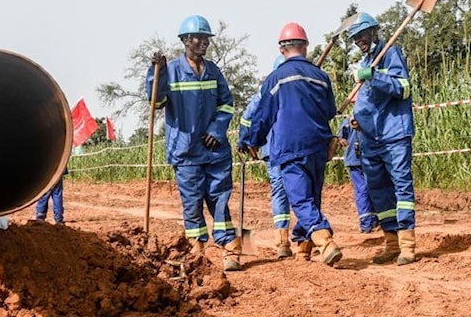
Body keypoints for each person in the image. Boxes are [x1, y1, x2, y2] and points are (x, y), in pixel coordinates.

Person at [239, 22, 341, 266]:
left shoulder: (276, 78)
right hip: (318, 146)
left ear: (282, 49)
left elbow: (263, 116)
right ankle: (302, 246)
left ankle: (325, 241)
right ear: (305, 47)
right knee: (312, 197)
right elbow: (329, 111)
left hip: (290, 147)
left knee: (300, 200)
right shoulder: (321, 77)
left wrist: (250, 140)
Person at [146, 15, 241, 271]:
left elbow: (226, 104)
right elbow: (156, 102)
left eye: (207, 39)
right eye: (200, 38)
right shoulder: (172, 71)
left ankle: (230, 249)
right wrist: (157, 73)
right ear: (186, 40)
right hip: (185, 152)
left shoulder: (213, 71)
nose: (205, 43)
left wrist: (217, 130)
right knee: (192, 205)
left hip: (214, 151)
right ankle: (196, 253)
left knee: (220, 199)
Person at [346, 12, 417, 266]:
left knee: (401, 186)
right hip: (370, 138)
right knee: (379, 193)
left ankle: (407, 245)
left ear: (374, 32)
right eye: (355, 39)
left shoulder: (391, 53)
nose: (358, 41)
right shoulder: (366, 62)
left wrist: (373, 76)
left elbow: (403, 88)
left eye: (361, 36)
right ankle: (391, 242)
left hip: (394, 134)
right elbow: (368, 102)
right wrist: (357, 120)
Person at [239, 55, 293, 259]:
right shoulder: (298, 91)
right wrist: (245, 140)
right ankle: (293, 240)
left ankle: (284, 241)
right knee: (299, 191)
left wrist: (244, 140)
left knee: (280, 192)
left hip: (277, 150)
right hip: (291, 149)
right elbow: (247, 119)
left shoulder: (265, 92)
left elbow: (246, 119)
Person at [337, 115, 379, 233]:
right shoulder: (347, 121)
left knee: (372, 188)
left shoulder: (370, 118)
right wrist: (341, 140)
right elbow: (340, 138)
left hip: (369, 159)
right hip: (355, 160)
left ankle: (375, 220)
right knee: (363, 189)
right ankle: (366, 223)